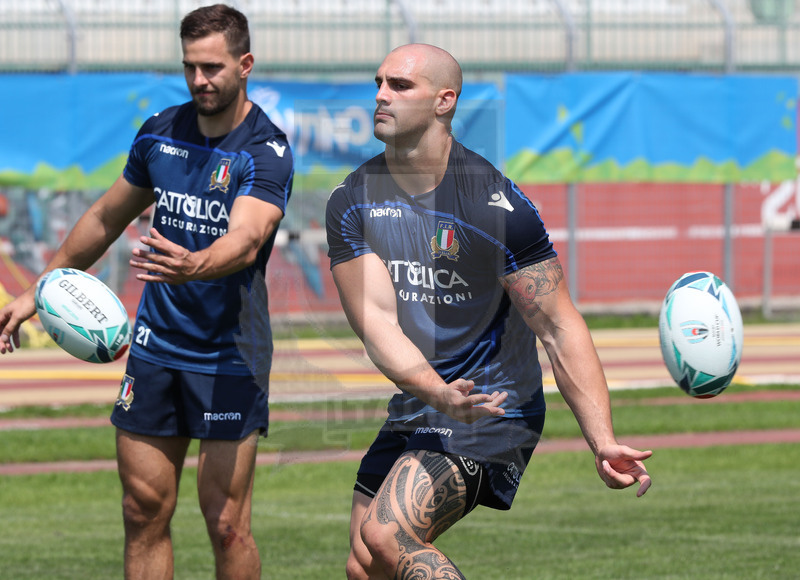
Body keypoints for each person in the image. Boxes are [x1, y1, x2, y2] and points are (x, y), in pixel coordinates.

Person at [326, 43, 652, 580]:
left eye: (400, 85)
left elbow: (557, 326)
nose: (381, 95)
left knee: (386, 535)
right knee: (366, 566)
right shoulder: (352, 199)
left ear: (443, 100)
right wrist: (433, 391)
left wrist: (602, 439)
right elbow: (377, 323)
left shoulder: (495, 207)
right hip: (424, 400)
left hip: (493, 409)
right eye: (379, 81)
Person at [0, 5, 293, 579]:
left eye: (212, 67)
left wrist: (196, 264)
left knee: (226, 522)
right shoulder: (161, 132)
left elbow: (248, 238)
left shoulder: (266, 149)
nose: (200, 81)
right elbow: (106, 218)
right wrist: (40, 289)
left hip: (229, 355)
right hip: (156, 348)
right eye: (190, 67)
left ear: (245, 64)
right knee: (142, 510)